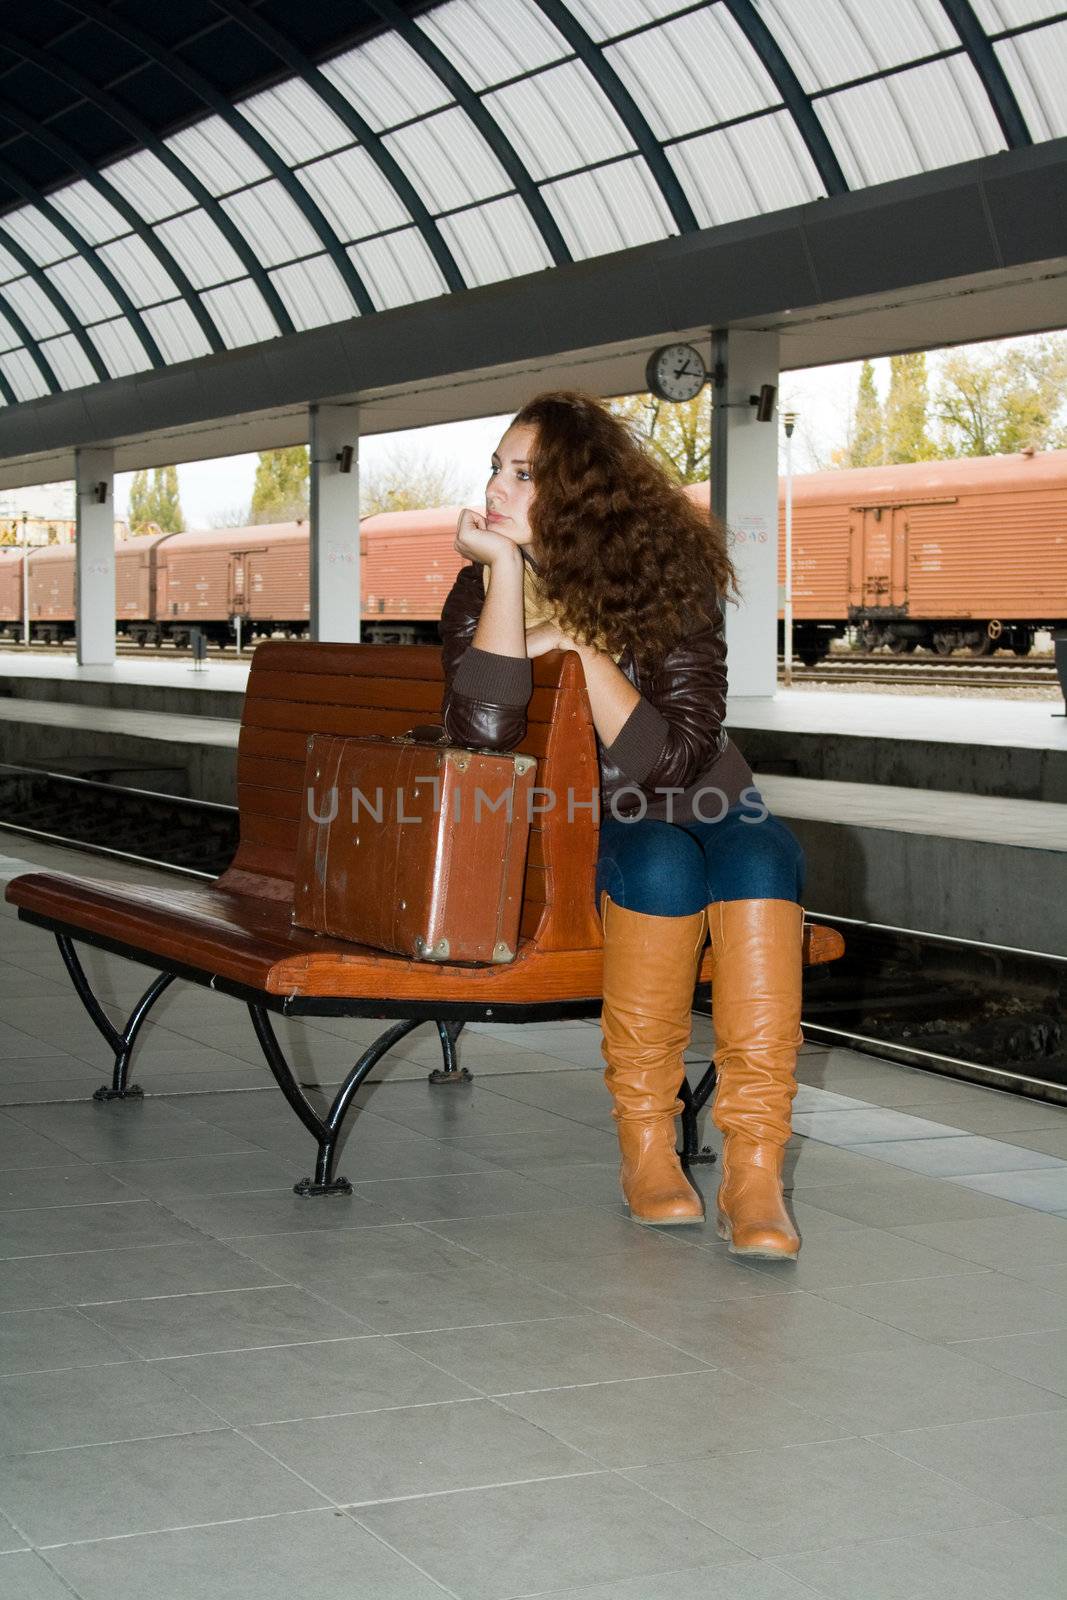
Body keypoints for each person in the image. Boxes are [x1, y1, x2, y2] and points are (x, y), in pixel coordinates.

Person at [439, 391, 805, 1260]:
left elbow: (672, 761)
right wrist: (503, 573)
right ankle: (647, 1148)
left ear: (579, 491)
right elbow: (481, 733)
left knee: (762, 853)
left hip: (705, 796)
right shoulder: (479, 586)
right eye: (496, 467)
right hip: (582, 823)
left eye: (522, 474)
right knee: (659, 867)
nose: (496, 487)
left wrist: (576, 642)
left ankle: (753, 1171)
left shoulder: (670, 580)